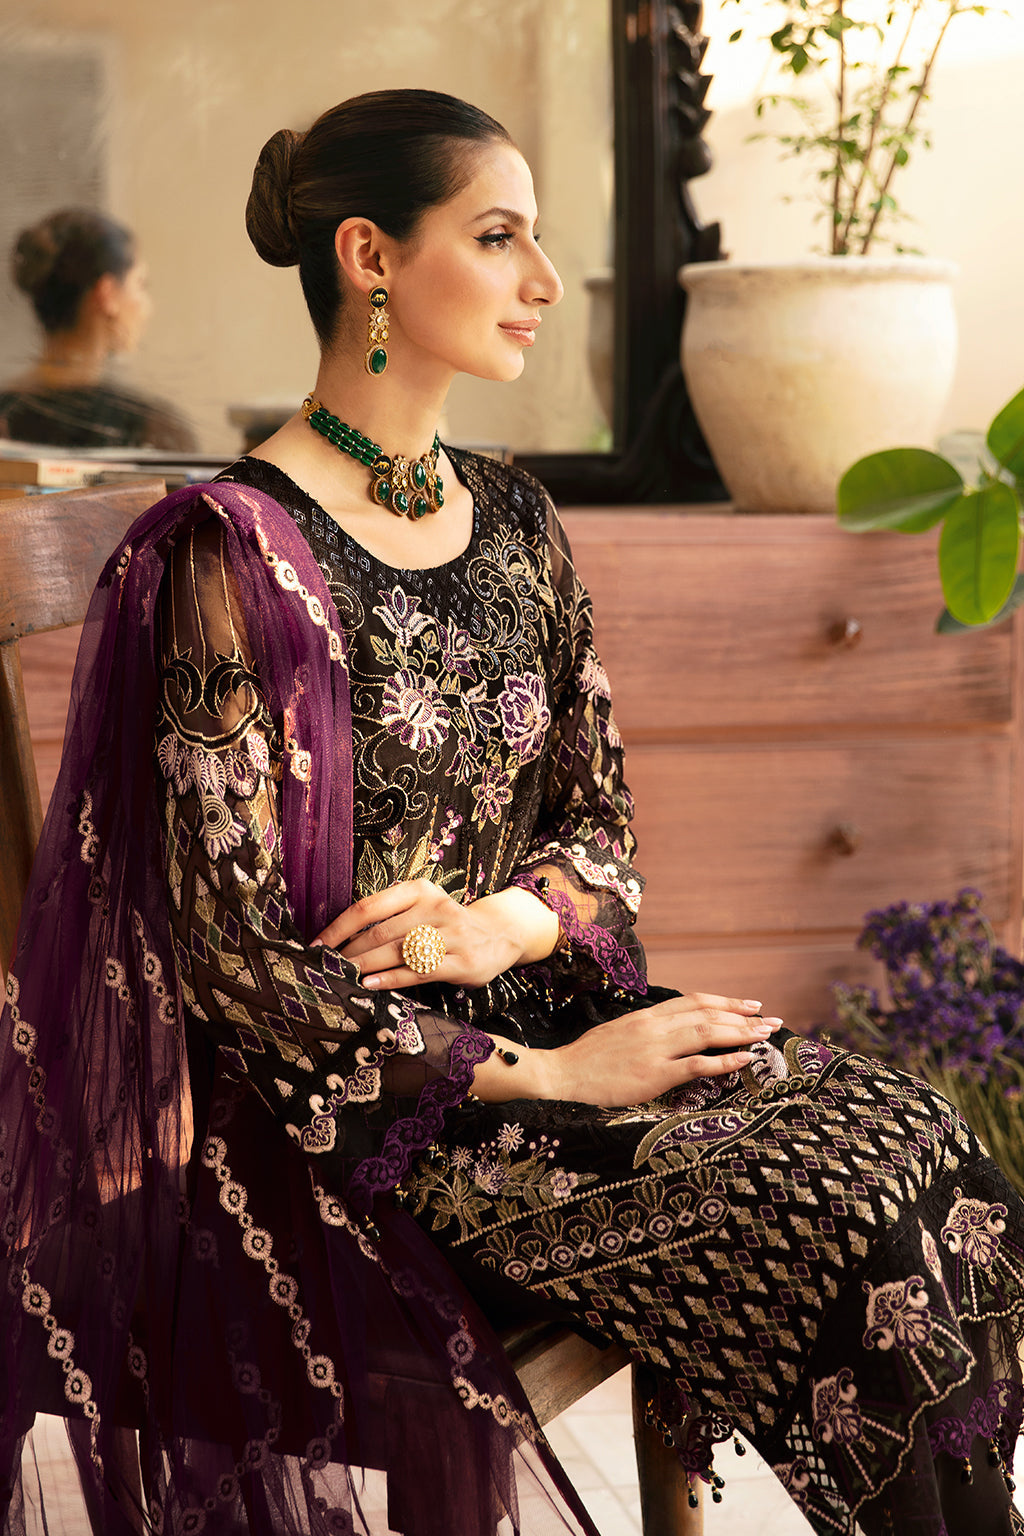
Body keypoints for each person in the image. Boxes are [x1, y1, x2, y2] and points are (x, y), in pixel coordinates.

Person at [0, 89, 1021, 1536]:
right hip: (358, 1119)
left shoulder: (516, 519)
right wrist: (556, 1076)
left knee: (911, 1139)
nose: (543, 280)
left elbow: (604, 832)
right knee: (834, 1213)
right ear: (369, 256)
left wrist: (497, 927)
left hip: (540, 1016)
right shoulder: (227, 561)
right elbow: (233, 970)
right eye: (498, 238)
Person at [0, 207, 196, 451]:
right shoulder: (155, 430)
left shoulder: (6, 414)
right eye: (141, 284)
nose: (148, 307)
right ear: (107, 293)